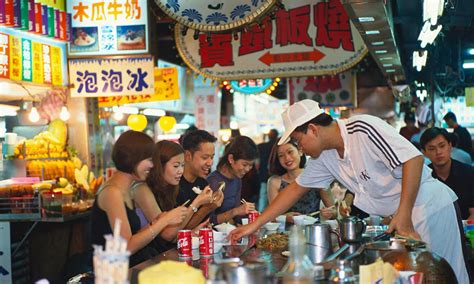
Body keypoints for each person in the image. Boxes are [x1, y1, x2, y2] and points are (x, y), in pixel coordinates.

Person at [229, 99, 468, 283]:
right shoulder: (323, 157)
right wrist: (254, 225)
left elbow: (413, 160)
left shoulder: (362, 127)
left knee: (446, 275)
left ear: (312, 129)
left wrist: (403, 215)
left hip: (429, 206)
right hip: (403, 216)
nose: (299, 148)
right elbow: (294, 190)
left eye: (299, 141)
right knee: (416, 278)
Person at [90, 131, 188, 267]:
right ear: (133, 159)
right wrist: (165, 220)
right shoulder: (112, 192)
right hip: (110, 273)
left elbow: (132, 236)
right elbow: (126, 247)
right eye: (148, 160)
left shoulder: (127, 190)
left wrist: (157, 221)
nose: (152, 165)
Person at [132, 140, 218, 252]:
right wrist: (196, 203)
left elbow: (173, 236)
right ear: (159, 166)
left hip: (162, 253)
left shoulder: (173, 188)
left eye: (182, 166)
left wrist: (193, 232)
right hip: (142, 257)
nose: (180, 171)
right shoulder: (142, 189)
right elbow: (167, 234)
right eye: (176, 166)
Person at [267, 138, 336, 221]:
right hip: (284, 233)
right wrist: (286, 218)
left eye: (290, 152)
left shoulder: (316, 177)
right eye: (281, 155)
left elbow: (334, 211)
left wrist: (329, 213)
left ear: (300, 151)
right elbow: (271, 216)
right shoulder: (275, 182)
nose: (287, 158)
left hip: (312, 231)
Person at [420, 128, 474, 220]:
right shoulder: (422, 178)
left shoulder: (469, 173)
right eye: (432, 149)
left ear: (450, 146)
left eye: (442, 146)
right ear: (424, 153)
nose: (438, 152)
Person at [176, 130, 224, 229]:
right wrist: (206, 209)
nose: (210, 163)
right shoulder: (175, 184)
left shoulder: (203, 183)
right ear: (188, 156)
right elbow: (179, 232)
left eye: (212, 157)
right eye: (205, 157)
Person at [207, 136, 258, 225]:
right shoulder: (213, 181)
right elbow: (209, 220)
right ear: (231, 159)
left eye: (251, 165)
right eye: (245, 164)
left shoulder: (237, 179)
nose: (247, 169)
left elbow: (237, 216)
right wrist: (236, 211)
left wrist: (251, 214)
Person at [256, 129, 279, 211]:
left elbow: (257, 163)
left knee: (263, 196)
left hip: (263, 174)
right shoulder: (277, 146)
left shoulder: (261, 146)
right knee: (276, 200)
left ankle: (261, 213)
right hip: (276, 174)